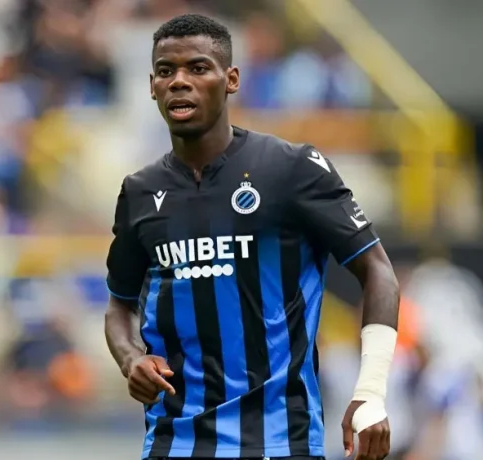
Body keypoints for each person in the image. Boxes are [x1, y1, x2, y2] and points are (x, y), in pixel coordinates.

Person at [104, 14, 400, 460]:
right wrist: (131, 360)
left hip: (281, 441)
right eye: (166, 71)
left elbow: (377, 270)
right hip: (173, 443)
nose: (179, 81)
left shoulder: (291, 169)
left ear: (232, 80)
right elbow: (119, 304)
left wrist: (371, 392)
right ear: (151, 86)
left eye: (198, 68)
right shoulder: (140, 192)